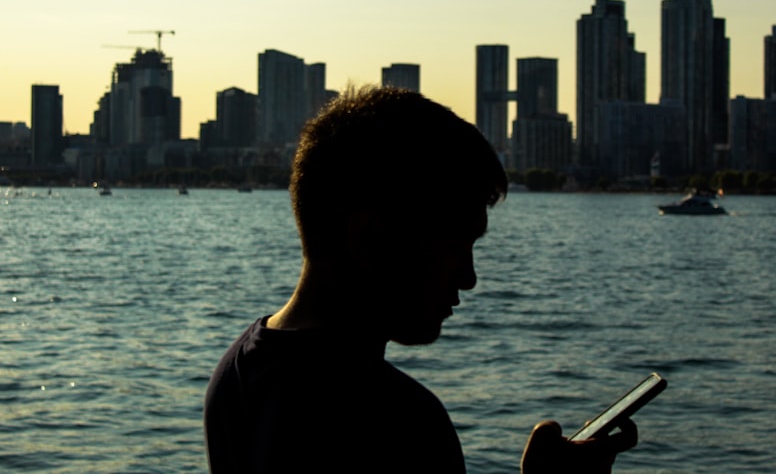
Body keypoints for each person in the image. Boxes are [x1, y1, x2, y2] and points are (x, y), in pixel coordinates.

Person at [204, 86, 638, 473]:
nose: (468, 278)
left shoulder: (237, 372)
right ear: (370, 235)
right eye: (455, 245)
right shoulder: (397, 422)